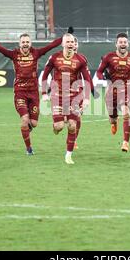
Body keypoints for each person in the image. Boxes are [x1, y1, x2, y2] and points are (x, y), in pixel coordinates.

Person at [0, 28, 71, 155]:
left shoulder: (36, 53)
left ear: (30, 43)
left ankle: (26, 129)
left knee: (34, 123)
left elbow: (51, 45)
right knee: (25, 119)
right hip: (20, 92)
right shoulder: (14, 54)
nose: (25, 44)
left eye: (27, 42)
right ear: (19, 43)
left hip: (33, 93)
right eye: (23, 42)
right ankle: (29, 149)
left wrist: (64, 36)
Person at [41, 33, 97, 164]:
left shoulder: (81, 59)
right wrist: (44, 93)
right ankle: (56, 126)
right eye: (68, 42)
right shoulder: (54, 58)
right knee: (59, 126)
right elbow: (45, 75)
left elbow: (87, 79)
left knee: (72, 125)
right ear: (62, 44)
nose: (70, 44)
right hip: (57, 96)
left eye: (72, 42)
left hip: (74, 97)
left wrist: (87, 98)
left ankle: (68, 155)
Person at [96, 32, 130, 152]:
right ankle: (114, 122)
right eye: (120, 42)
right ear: (116, 44)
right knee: (112, 118)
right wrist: (104, 77)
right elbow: (99, 72)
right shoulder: (109, 57)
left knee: (126, 111)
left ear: (128, 44)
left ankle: (125, 142)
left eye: (125, 42)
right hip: (112, 89)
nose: (123, 44)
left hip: (128, 86)